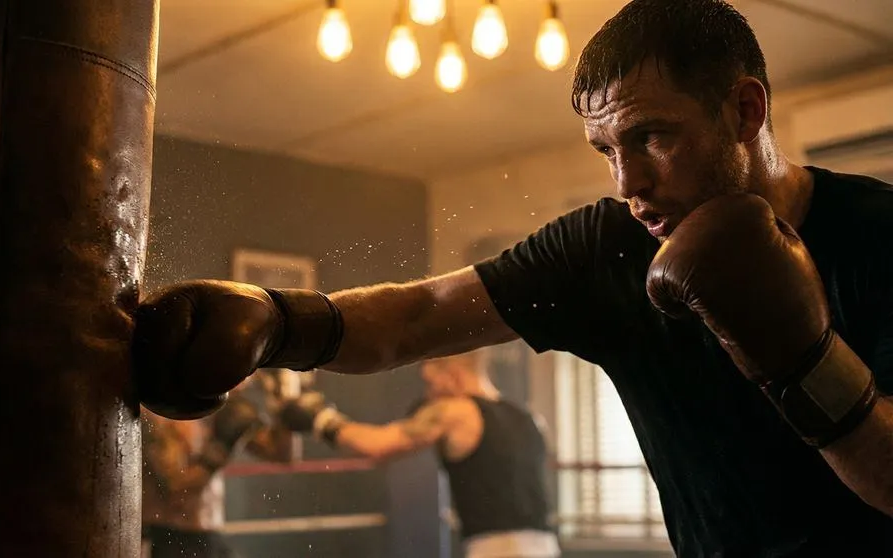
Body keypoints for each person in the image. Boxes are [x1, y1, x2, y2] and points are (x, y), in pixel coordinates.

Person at [131, 0, 893, 555]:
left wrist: (805, 362)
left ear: (745, 109)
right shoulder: (605, 248)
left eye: (652, 136)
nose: (629, 182)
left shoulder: (880, 239)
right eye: (604, 149)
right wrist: (278, 321)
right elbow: (419, 314)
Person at [277, 350, 560, 558]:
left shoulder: (455, 411)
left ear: (453, 373)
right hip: (545, 547)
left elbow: (378, 446)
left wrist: (319, 418)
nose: (430, 392)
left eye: (432, 381)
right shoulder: (529, 418)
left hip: (499, 550)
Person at [141, 376, 293, 558]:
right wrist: (221, 447)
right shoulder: (158, 413)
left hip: (209, 535)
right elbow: (177, 490)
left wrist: (287, 409)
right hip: (170, 537)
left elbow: (281, 455)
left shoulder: (220, 410)